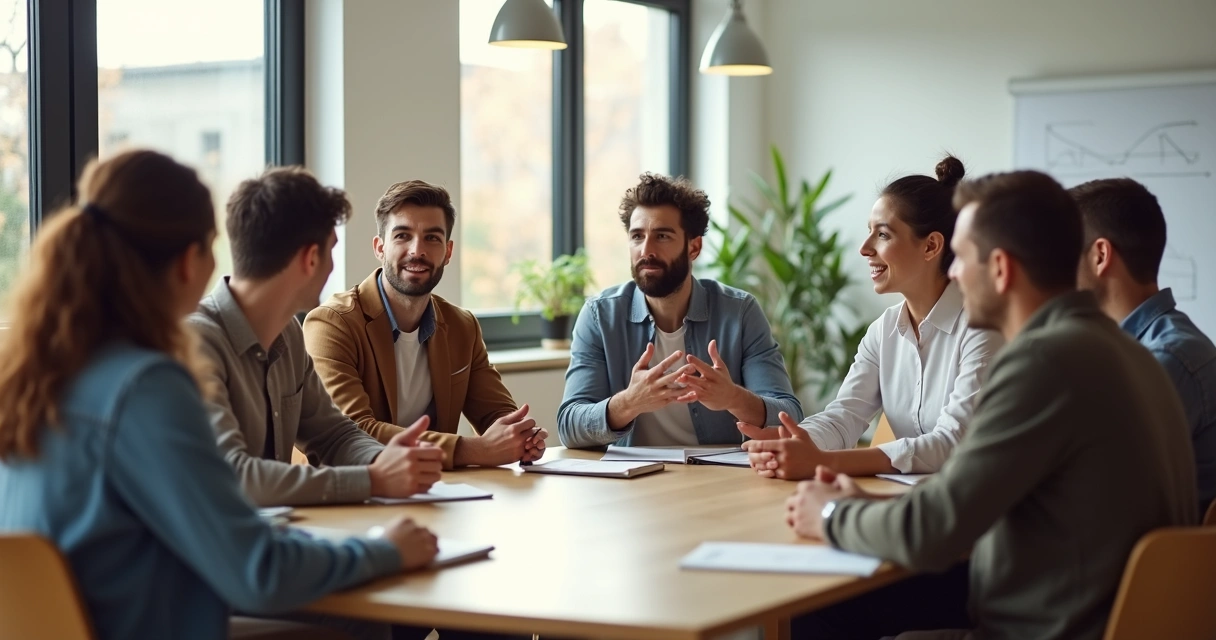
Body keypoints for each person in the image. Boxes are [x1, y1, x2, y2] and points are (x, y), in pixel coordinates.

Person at [0, 150, 438, 640]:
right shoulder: (148, 384)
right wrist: (386, 549)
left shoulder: (51, 368)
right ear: (189, 261)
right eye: (211, 247)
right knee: (367, 619)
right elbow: (259, 571)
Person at [785, 170, 1196, 640]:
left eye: (962, 257)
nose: (953, 273)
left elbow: (933, 529)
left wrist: (831, 514)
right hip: (1100, 618)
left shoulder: (1043, 362)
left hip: (1042, 629)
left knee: (815, 607)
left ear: (1000, 268)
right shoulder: (1129, 352)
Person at [190, 167, 443, 507]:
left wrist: (383, 459)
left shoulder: (289, 334)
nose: (331, 267)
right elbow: (233, 477)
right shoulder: (195, 344)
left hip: (273, 531)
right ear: (311, 259)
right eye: (331, 250)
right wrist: (373, 480)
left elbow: (332, 434)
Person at [740, 157, 1003, 478]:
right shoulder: (884, 330)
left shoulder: (983, 327)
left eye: (883, 235)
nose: (865, 248)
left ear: (931, 246)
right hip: (912, 495)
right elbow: (844, 416)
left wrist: (823, 461)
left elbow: (953, 442)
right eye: (869, 232)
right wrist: (794, 439)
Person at [304, 180, 545, 469]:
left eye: (432, 238)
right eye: (402, 236)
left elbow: (496, 415)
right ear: (380, 247)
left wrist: (520, 437)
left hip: (437, 487)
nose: (417, 250)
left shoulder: (462, 326)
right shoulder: (332, 324)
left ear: (448, 252)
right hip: (353, 488)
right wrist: (473, 450)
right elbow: (353, 432)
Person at [558, 172, 802, 448]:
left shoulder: (740, 312)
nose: (646, 250)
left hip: (717, 472)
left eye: (662, 236)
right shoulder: (599, 316)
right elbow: (569, 426)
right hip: (633, 474)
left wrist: (733, 397)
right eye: (637, 236)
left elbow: (790, 417)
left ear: (694, 247)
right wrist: (629, 402)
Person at [1072, 177, 1216, 518]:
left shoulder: (1169, 359)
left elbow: (1091, 483)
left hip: (1148, 549)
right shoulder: (1127, 350)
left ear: (1100, 256)